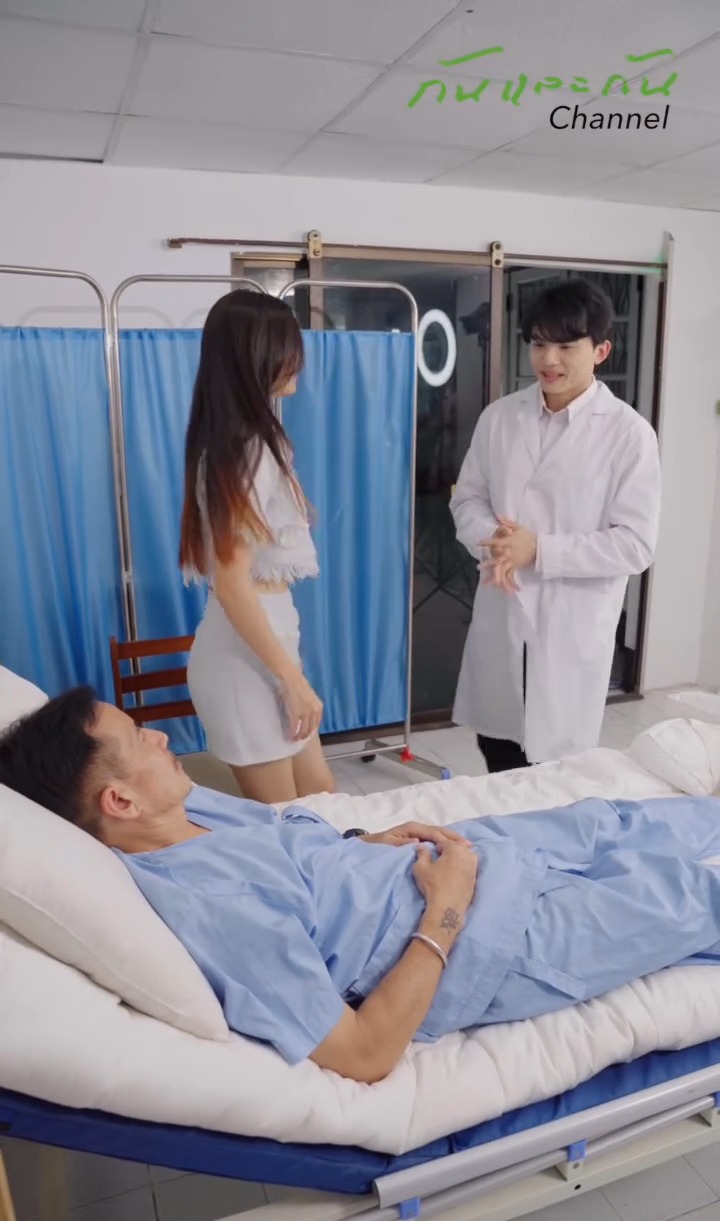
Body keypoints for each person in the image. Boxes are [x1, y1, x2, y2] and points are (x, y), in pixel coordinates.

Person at [4, 689, 720, 1087]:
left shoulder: (190, 810)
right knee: (683, 896)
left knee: (615, 819)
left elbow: (285, 848)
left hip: (452, 859)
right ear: (120, 802)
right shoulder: (213, 909)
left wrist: (363, 842)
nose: (162, 737)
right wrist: (447, 909)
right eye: (141, 738)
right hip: (488, 940)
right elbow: (363, 1054)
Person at [450, 279, 662, 774]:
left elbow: (635, 545)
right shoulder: (500, 418)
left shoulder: (628, 434)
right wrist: (496, 543)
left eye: (566, 347)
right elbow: (468, 499)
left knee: (555, 769)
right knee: (499, 749)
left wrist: (539, 550)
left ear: (601, 351)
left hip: (570, 625)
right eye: (539, 343)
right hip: (503, 613)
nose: (548, 360)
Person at [179, 288, 333, 805]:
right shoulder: (246, 449)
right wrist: (291, 679)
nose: (298, 360)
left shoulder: (252, 441)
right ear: (255, 357)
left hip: (265, 643)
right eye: (287, 347)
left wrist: (289, 673)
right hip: (242, 662)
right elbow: (231, 583)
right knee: (288, 820)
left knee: (321, 796)